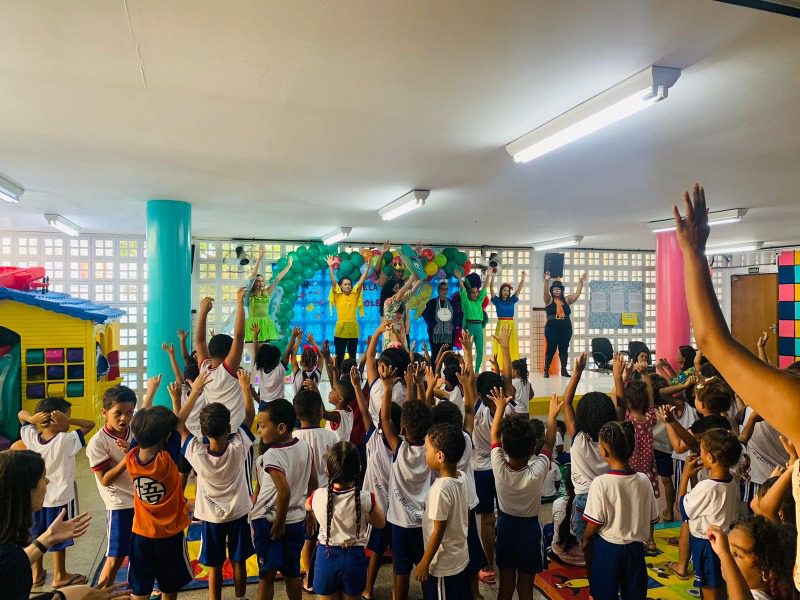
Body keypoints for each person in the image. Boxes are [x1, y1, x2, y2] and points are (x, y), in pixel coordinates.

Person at [0, 450, 129, 600]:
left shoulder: (9, 553)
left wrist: (46, 540)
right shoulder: (11, 558)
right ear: (26, 491)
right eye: (42, 478)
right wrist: (63, 597)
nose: (47, 482)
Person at [174, 369, 255, 600]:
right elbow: (249, 415)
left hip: (211, 518)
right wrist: (245, 387)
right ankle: (240, 597)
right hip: (239, 513)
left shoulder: (197, 454)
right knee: (238, 560)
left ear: (203, 431)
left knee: (214, 565)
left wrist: (195, 391)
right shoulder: (239, 447)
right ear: (229, 428)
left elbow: (180, 424)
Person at [490, 389, 560, 600]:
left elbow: (494, 435)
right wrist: (552, 416)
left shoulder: (499, 467)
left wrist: (500, 407)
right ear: (532, 449)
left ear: (505, 448)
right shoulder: (537, 471)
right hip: (529, 530)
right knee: (526, 585)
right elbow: (548, 444)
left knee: (506, 583)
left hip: (505, 528)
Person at [18, 398, 95, 589]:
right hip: (60, 499)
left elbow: (21, 415)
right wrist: (68, 422)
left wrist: (32, 418)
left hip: (36, 499)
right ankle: (60, 575)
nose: (67, 421)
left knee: (36, 534)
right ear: (56, 419)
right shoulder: (65, 440)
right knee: (59, 535)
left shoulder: (30, 436)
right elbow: (90, 425)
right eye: (65, 416)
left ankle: (36, 574)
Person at [581, 421, 660, 600]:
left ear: (605, 451)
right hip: (635, 549)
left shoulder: (601, 483)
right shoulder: (644, 480)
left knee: (603, 593)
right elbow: (651, 519)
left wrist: (586, 539)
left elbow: (594, 523)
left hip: (608, 549)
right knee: (635, 594)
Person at [251, 399, 317, 600]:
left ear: (281, 428)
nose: (259, 432)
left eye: (262, 426)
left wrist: (279, 524)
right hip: (296, 519)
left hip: (270, 522)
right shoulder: (305, 447)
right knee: (292, 573)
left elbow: (284, 492)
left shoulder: (272, 455)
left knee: (267, 576)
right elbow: (313, 482)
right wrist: (310, 511)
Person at [126, 404, 193, 600]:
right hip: (169, 535)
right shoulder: (166, 459)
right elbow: (179, 423)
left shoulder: (131, 458)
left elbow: (143, 430)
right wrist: (195, 391)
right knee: (169, 586)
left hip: (141, 534)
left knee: (140, 588)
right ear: (165, 438)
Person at [380, 365, 433, 600]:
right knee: (426, 572)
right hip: (424, 525)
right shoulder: (433, 450)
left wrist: (388, 387)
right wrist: (419, 385)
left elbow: (384, 418)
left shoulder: (399, 448)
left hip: (400, 524)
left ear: (401, 429)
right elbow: (424, 413)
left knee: (400, 573)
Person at [307, 441, 385, 600]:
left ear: (327, 471)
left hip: (326, 557)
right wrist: (366, 515)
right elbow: (381, 522)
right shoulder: (365, 499)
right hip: (354, 559)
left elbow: (307, 506)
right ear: (359, 469)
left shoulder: (319, 496)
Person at [679, 427, 742, 599]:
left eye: (701, 451)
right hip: (723, 541)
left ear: (710, 457)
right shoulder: (731, 481)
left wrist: (685, 476)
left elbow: (682, 509)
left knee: (709, 588)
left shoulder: (707, 488)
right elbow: (698, 502)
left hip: (706, 544)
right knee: (718, 583)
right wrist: (693, 478)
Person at [85, 386, 138, 588]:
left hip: (140, 499)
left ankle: (136, 589)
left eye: (129, 412)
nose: (124, 418)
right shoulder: (98, 443)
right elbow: (105, 479)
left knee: (139, 551)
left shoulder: (135, 430)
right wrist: (130, 456)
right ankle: (99, 593)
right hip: (119, 505)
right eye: (118, 413)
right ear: (105, 413)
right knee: (116, 555)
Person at [560, 354, 616, 543]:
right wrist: (617, 377)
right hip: (610, 494)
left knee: (586, 543)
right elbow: (621, 404)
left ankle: (591, 568)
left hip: (584, 498)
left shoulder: (578, 438)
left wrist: (577, 372)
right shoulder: (614, 437)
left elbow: (566, 402)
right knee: (609, 537)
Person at [414, 423, 469, 599]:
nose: (425, 453)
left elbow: (438, 530)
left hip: (443, 566)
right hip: (459, 556)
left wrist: (424, 563)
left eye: (427, 450)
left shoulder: (440, 489)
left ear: (440, 456)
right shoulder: (461, 476)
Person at [291, 387, 339, 593]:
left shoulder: (292, 438)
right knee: (327, 538)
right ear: (320, 411)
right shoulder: (331, 436)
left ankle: (310, 578)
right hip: (330, 498)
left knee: (308, 541)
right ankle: (324, 574)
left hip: (303, 501)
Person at [708, 517, 796, 600]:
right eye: (728, 549)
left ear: (765, 571)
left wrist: (724, 554)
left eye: (736, 554)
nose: (729, 560)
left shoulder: (759, 597)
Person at [245, 245, 293, 350]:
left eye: (262, 280)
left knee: (263, 354)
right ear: (254, 283)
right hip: (253, 325)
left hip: (265, 325)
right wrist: (260, 258)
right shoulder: (250, 294)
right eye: (258, 281)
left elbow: (277, 279)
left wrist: (289, 266)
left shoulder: (267, 292)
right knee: (254, 353)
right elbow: (252, 277)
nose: (260, 282)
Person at [327, 254, 369, 371]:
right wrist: (331, 267)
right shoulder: (338, 294)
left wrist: (367, 269)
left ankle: (352, 377)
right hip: (340, 330)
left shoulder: (355, 294)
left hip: (353, 330)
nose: (348, 286)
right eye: (345, 284)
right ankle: (340, 377)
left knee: (352, 356)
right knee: (339, 357)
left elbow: (360, 281)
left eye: (349, 284)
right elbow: (333, 281)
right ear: (341, 286)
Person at [542, 271, 586, 378]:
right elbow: (545, 293)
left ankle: (563, 370)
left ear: (561, 290)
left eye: (558, 289)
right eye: (554, 290)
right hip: (551, 329)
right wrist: (547, 281)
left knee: (564, 349)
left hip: (566, 329)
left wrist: (580, 282)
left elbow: (576, 295)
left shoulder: (566, 299)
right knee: (551, 349)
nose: (556, 291)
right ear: (552, 291)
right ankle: (546, 370)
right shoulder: (549, 300)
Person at [455, 268, 492, 372]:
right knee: (467, 351)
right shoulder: (466, 302)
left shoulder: (479, 301)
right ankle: (467, 370)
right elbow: (462, 290)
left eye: (476, 292)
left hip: (479, 327)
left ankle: (476, 372)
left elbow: (484, 289)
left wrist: (489, 276)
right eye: (473, 292)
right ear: (468, 293)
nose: (476, 294)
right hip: (468, 328)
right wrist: (459, 279)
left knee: (480, 351)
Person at [490, 270, 525, 370]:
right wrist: (492, 277)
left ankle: (512, 367)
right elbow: (491, 288)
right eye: (504, 290)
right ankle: (500, 367)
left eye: (507, 290)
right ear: (501, 291)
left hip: (511, 324)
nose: (506, 292)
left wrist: (522, 278)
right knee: (500, 345)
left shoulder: (512, 300)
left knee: (511, 345)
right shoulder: (497, 300)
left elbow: (519, 289)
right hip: (501, 324)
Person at [422, 280, 457, 366]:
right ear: (438, 290)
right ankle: (434, 375)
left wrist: (454, 325)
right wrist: (433, 325)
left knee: (448, 356)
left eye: (446, 289)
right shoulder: (432, 303)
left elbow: (457, 316)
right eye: (442, 289)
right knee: (435, 355)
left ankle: (448, 375)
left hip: (448, 334)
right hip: (435, 334)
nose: (444, 291)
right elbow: (425, 314)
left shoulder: (452, 303)